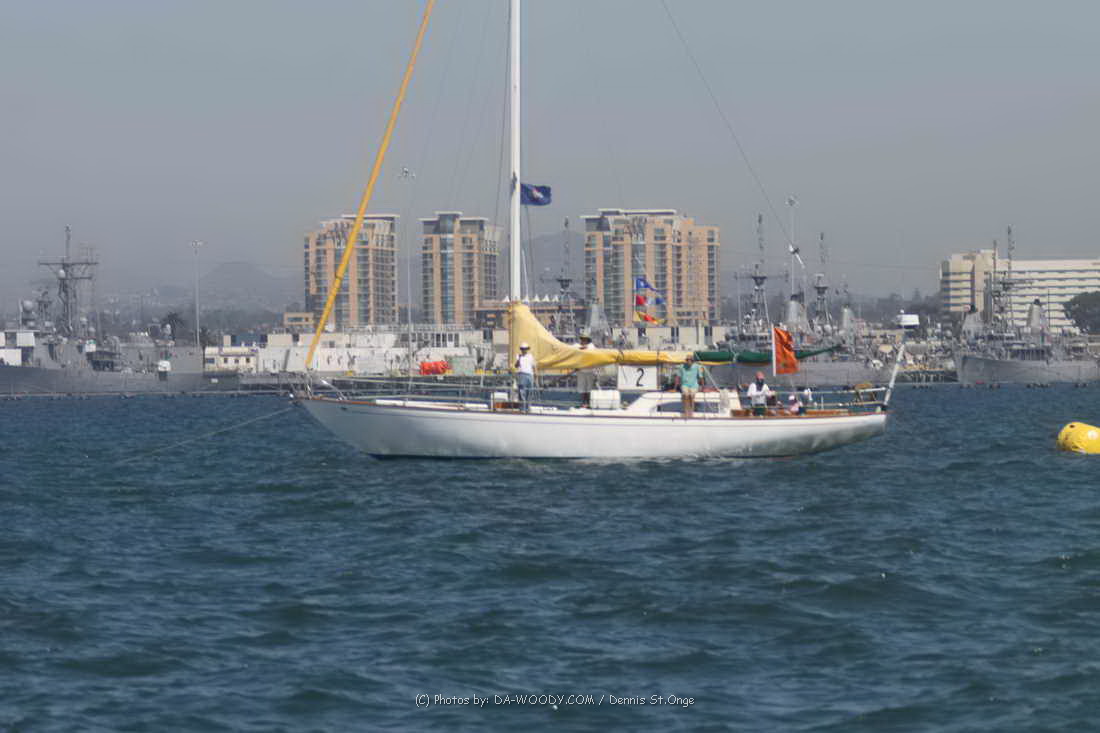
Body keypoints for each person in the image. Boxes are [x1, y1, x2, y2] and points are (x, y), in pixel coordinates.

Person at [675, 354, 703, 418]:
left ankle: (691, 412)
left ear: (693, 361)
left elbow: (701, 377)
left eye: (690, 360)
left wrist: (703, 387)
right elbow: (677, 377)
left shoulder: (697, 366)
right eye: (687, 360)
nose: (689, 361)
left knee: (691, 396)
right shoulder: (681, 366)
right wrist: (675, 388)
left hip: (694, 385)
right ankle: (686, 412)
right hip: (685, 385)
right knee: (686, 395)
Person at [575, 332, 597, 405]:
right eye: (582, 339)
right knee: (582, 389)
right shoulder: (577, 346)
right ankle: (583, 403)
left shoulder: (591, 347)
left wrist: (581, 348)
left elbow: (587, 349)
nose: (582, 341)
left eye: (584, 339)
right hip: (581, 371)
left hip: (590, 371)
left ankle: (588, 403)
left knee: (589, 389)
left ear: (588, 340)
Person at [514, 342, 535, 411]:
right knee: (522, 392)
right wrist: (519, 359)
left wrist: (535, 374)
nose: (524, 350)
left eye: (525, 349)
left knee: (529, 392)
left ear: (527, 349)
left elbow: (533, 365)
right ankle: (522, 408)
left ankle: (528, 407)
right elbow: (516, 365)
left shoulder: (530, 356)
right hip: (522, 374)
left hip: (530, 375)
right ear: (521, 349)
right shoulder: (518, 356)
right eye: (523, 349)